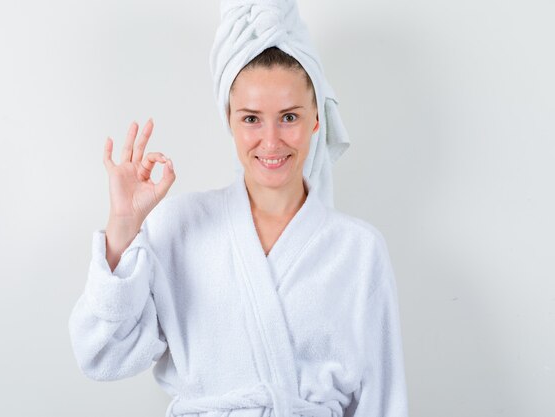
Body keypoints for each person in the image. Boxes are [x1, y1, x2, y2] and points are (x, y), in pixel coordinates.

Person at [68, 3, 409, 417]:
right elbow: (101, 354)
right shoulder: (179, 228)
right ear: (228, 119)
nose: (270, 141)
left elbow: (384, 401)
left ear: (317, 118)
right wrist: (123, 227)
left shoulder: (359, 250)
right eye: (251, 118)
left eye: (289, 117)